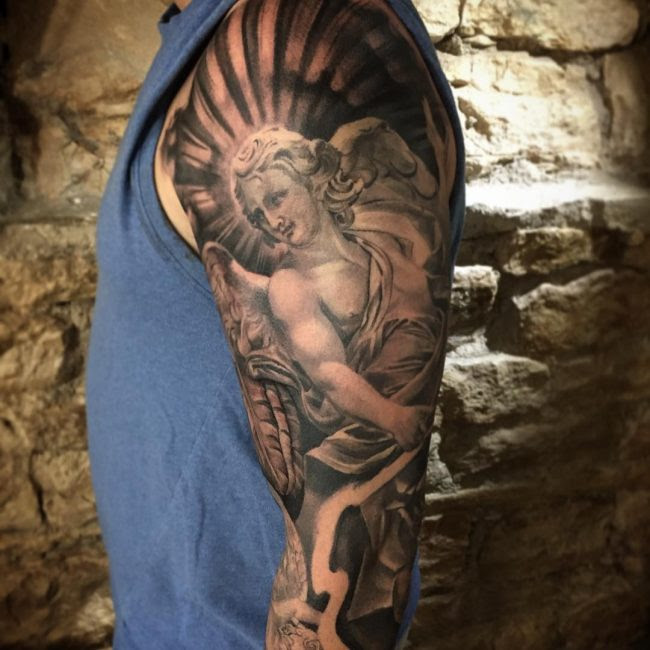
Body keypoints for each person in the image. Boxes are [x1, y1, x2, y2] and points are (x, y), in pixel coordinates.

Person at [85, 0, 466, 648]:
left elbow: (355, 580)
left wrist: (395, 420)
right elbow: (327, 372)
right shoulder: (202, 32)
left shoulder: (288, 39)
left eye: (277, 198)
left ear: (311, 172)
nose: (271, 222)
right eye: (258, 215)